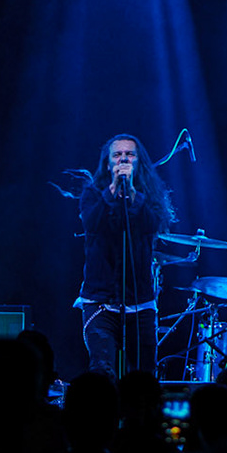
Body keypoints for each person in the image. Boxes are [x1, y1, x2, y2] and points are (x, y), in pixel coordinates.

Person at [74, 133, 175, 376]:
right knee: (102, 370)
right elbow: (91, 224)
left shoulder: (149, 195)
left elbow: (152, 225)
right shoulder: (93, 193)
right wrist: (111, 192)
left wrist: (130, 192)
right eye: (117, 155)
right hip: (100, 302)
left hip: (139, 304)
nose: (123, 159)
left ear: (139, 161)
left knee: (143, 375)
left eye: (129, 154)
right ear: (108, 163)